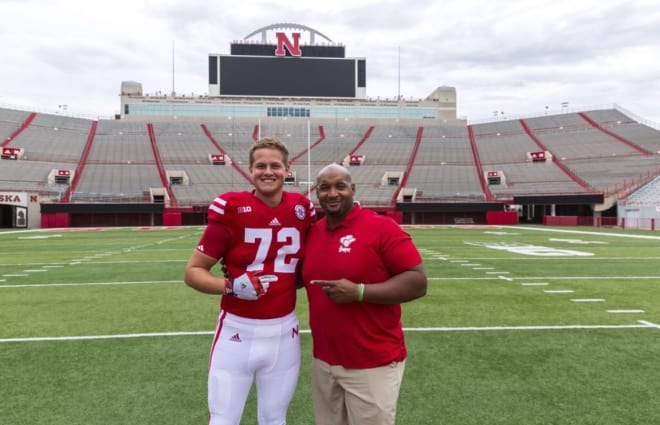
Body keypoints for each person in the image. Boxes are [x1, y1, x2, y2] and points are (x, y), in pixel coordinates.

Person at [183, 137, 316, 425]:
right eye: (260, 166)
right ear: (250, 170)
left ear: (287, 169)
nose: (268, 171)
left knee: (274, 418)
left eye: (275, 165)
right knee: (223, 419)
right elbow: (193, 271)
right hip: (237, 331)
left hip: (284, 332)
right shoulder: (232, 208)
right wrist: (230, 286)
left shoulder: (302, 208)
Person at [301, 163, 427, 425]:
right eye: (324, 188)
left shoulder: (381, 227)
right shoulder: (312, 232)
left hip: (372, 362)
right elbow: (294, 278)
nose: (332, 193)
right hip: (324, 361)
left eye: (340, 186)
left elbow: (417, 282)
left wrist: (359, 292)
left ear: (353, 189)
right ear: (316, 192)